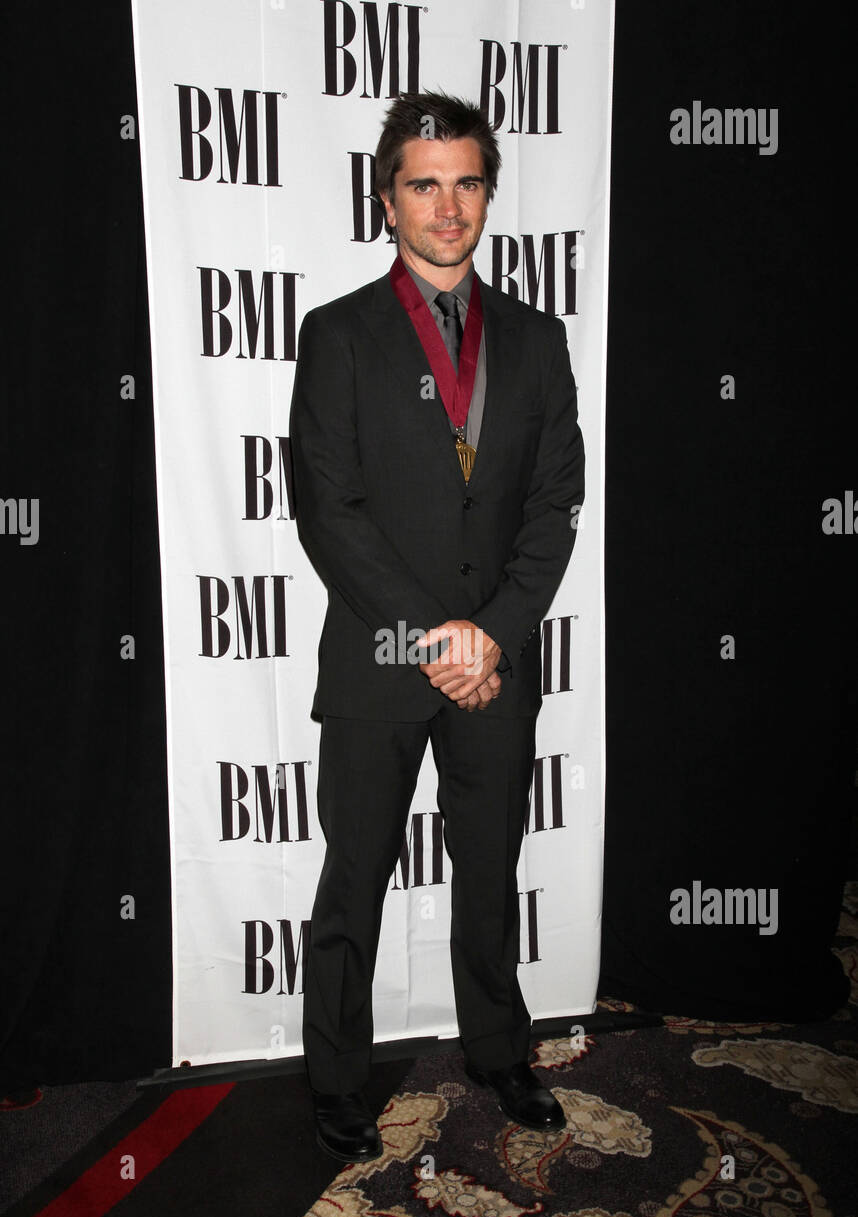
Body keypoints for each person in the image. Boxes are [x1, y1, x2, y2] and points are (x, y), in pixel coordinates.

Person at [290, 91, 585, 1162]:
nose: (448, 205)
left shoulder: (540, 340)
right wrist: (437, 636)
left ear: (488, 194)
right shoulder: (339, 337)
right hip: (382, 662)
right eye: (426, 183)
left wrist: (493, 632)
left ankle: (500, 1052)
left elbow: (555, 503)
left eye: (466, 181)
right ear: (388, 201)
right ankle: (333, 1076)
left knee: (491, 869)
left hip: (496, 665)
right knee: (353, 877)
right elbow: (330, 511)